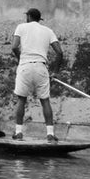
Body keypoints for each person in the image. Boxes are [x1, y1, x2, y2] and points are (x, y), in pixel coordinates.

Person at [12, 8, 64, 143]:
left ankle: (18, 132)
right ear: (39, 19)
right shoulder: (48, 31)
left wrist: (20, 59)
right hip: (41, 67)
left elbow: (14, 46)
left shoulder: (21, 27)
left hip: (25, 67)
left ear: (28, 16)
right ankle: (50, 134)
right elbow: (59, 52)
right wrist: (55, 72)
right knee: (45, 100)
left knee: (21, 100)